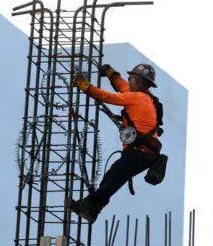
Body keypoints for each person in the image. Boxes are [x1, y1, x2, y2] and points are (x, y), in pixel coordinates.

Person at [65, 63, 164, 224]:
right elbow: (123, 86)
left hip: (140, 152)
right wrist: (112, 74)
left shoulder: (136, 98)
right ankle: (89, 208)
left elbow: (109, 97)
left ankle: (89, 208)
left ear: (137, 80)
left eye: (131, 78)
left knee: (113, 179)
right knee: (113, 176)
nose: (129, 80)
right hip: (144, 153)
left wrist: (86, 86)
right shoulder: (143, 97)